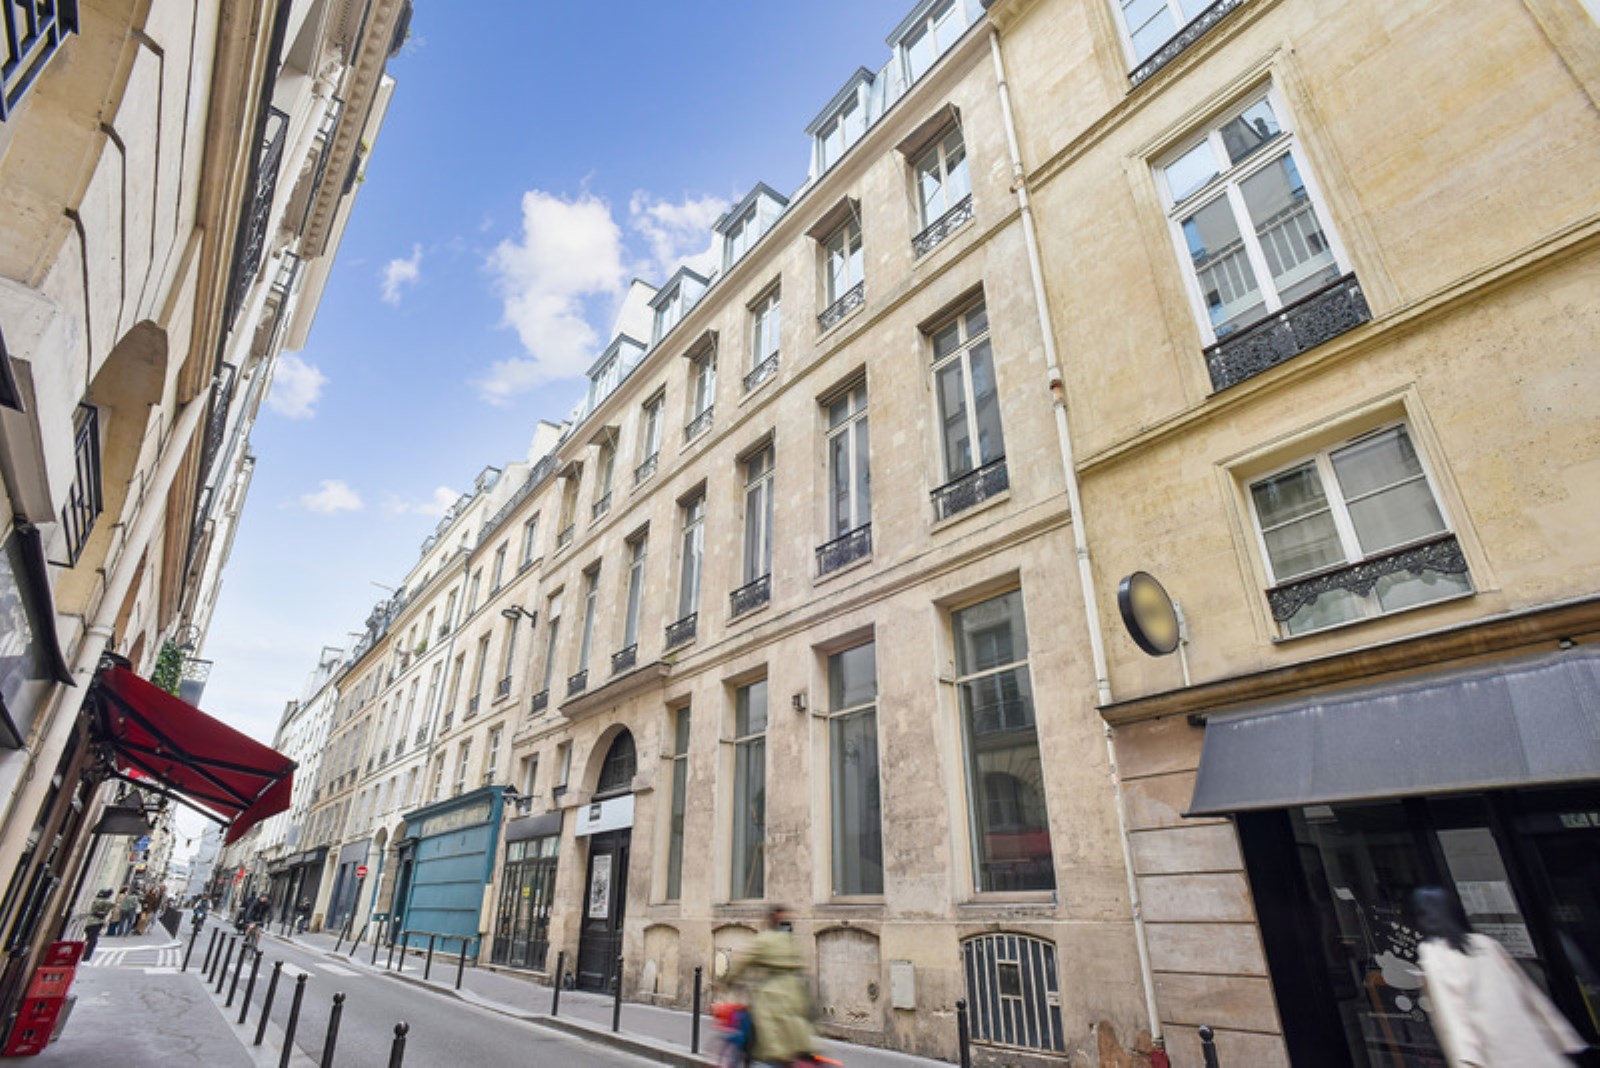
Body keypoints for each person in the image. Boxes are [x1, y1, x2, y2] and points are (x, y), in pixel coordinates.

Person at [1412, 886, 1587, 1067]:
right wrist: (1559, 1034)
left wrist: (1465, 1061)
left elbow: (1451, 1016)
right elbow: (1528, 993)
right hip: (1531, 1042)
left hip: (1494, 1051)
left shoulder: (1433, 953)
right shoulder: (1485, 943)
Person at [725, 907, 819, 1067]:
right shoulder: (793, 941)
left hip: (773, 996)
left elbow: (742, 961)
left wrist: (727, 981)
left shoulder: (765, 940)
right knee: (797, 1041)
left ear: (769, 921)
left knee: (771, 1044)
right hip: (797, 994)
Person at [83, 889, 114, 960]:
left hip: (88, 921)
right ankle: (86, 957)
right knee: (93, 940)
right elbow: (112, 905)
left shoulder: (94, 900)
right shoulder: (105, 902)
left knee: (88, 939)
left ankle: (83, 953)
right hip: (96, 922)